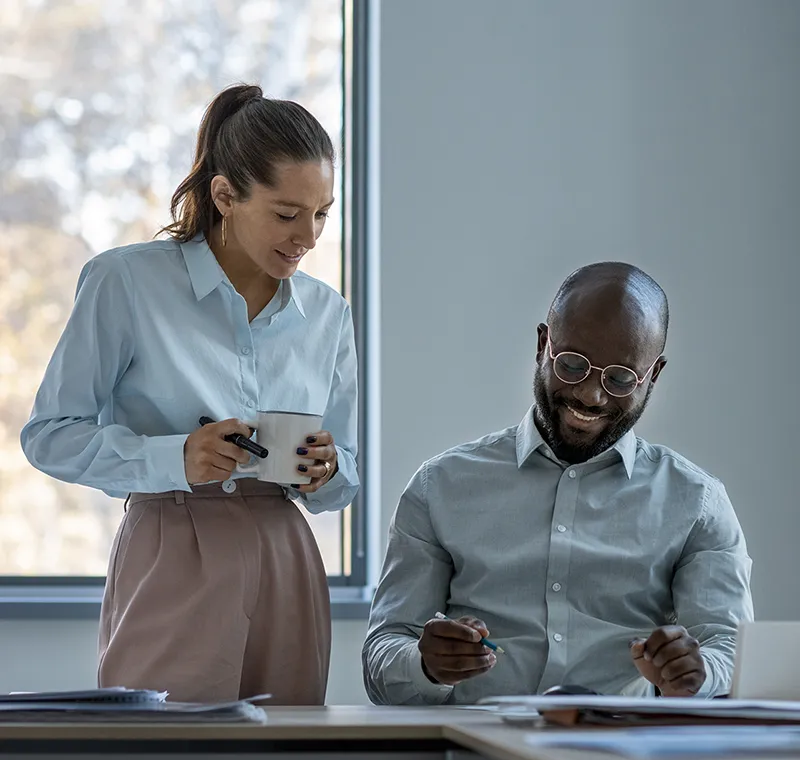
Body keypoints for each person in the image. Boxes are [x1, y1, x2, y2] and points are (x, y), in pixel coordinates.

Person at [21, 84, 359, 705]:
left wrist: (328, 471)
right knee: (159, 759)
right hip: (171, 548)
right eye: (287, 214)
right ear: (225, 195)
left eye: (322, 214)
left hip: (286, 556)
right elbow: (49, 436)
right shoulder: (125, 282)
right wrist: (175, 457)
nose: (307, 236)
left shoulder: (329, 314)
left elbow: (345, 482)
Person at [363, 262, 752, 704]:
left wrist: (699, 674)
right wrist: (425, 666)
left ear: (654, 376)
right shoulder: (441, 486)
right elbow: (382, 655)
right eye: (572, 365)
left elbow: (730, 651)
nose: (591, 395)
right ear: (543, 344)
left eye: (621, 378)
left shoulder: (696, 502)